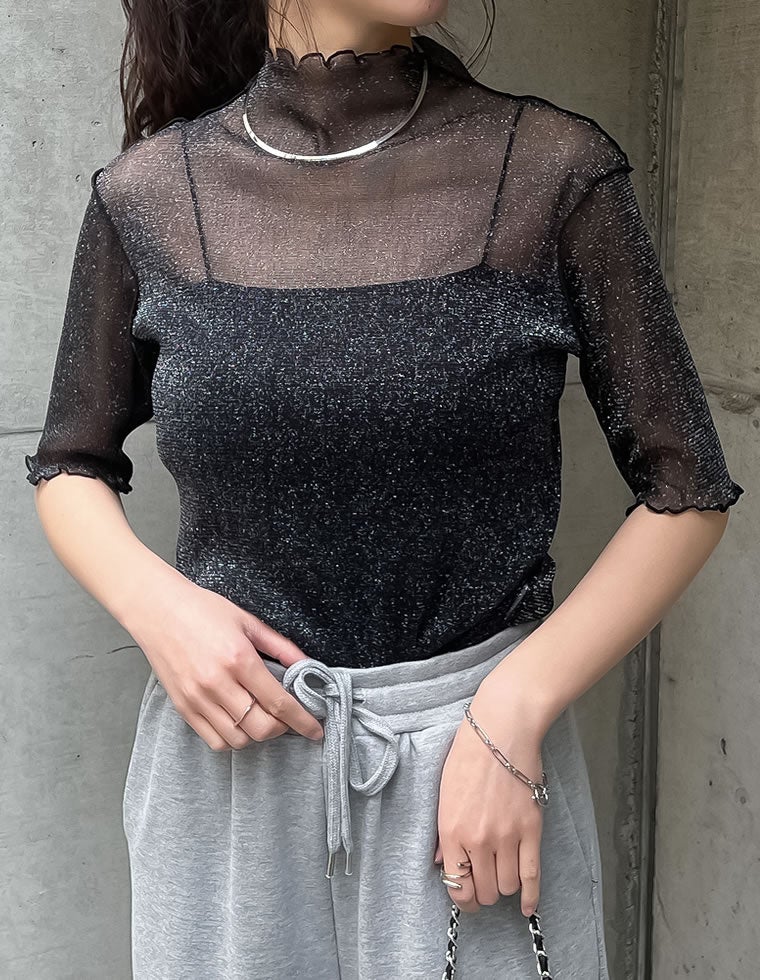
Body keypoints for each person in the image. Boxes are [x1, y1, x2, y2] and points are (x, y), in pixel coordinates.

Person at [24, 1, 745, 977]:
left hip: (479, 772)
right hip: (228, 770)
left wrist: (515, 705)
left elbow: (685, 485)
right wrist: (160, 610)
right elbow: (70, 460)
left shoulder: (548, 171)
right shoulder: (150, 195)